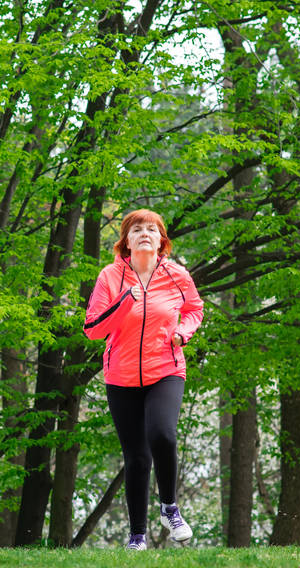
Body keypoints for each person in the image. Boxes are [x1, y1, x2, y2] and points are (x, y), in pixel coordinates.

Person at [83, 209, 204, 550]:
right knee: (136, 457)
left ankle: (170, 507)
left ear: (161, 240)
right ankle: (137, 537)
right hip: (121, 376)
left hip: (166, 368)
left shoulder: (177, 275)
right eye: (137, 229)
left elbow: (195, 308)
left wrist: (183, 332)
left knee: (162, 434)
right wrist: (124, 302)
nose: (145, 233)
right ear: (127, 241)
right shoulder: (110, 276)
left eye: (152, 229)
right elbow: (92, 329)